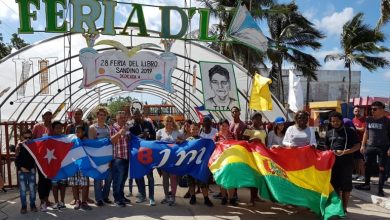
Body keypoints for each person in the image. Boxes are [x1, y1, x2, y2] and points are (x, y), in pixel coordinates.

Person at [325, 111, 360, 214]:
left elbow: (357, 146)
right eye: (333, 121)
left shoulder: (350, 131)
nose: (335, 123)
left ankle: (344, 208)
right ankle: (337, 208)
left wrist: (344, 152)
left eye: (337, 121)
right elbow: (326, 147)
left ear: (341, 121)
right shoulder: (329, 133)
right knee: (334, 186)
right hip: (333, 164)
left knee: (346, 187)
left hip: (347, 164)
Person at [355, 101, 390, 197]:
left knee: (382, 168)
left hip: (383, 147)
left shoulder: (387, 121)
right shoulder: (369, 119)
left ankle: (380, 189)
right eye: (371, 109)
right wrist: (362, 145)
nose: (372, 111)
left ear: (382, 110)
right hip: (370, 146)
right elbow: (366, 133)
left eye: (375, 109)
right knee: (367, 165)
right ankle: (366, 184)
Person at [66, 108, 93, 210]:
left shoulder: (86, 125)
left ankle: (84, 200)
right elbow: (66, 140)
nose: (77, 116)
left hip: (84, 156)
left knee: (85, 179)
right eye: (75, 114)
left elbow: (89, 140)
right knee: (74, 180)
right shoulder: (70, 127)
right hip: (73, 157)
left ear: (82, 115)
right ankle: (76, 199)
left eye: (79, 114)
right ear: (73, 115)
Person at [129, 109, 156, 206]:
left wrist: (148, 135)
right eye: (135, 115)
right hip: (137, 155)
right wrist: (141, 135)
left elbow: (154, 136)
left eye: (138, 115)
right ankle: (142, 195)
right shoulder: (131, 126)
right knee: (139, 176)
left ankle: (151, 197)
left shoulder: (148, 124)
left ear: (141, 115)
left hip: (148, 154)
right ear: (133, 116)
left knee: (150, 177)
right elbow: (131, 139)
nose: (137, 117)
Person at [156, 115, 183, 206]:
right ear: (164, 122)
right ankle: (166, 196)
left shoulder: (177, 132)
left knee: (173, 178)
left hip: (174, 159)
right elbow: (156, 145)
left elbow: (184, 141)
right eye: (167, 121)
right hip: (163, 159)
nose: (169, 122)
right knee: (165, 178)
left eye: (170, 121)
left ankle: (173, 197)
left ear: (173, 122)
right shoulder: (159, 132)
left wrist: (180, 141)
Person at [88, 107, 113, 206]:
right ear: (97, 115)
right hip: (97, 157)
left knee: (109, 178)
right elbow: (91, 144)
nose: (102, 117)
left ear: (106, 116)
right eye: (100, 115)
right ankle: (98, 199)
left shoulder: (108, 128)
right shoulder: (92, 127)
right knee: (98, 178)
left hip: (107, 157)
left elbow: (110, 143)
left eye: (104, 115)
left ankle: (105, 196)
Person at [187, 123, 214, 207]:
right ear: (190, 130)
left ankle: (206, 198)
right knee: (191, 183)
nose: (195, 130)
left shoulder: (203, 140)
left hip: (200, 166)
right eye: (193, 129)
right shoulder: (187, 140)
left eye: (196, 129)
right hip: (190, 165)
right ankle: (193, 197)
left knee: (203, 182)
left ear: (199, 130)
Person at [32, 109, 53, 212]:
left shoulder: (53, 127)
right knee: (41, 179)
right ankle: (42, 201)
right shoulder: (37, 127)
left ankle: (46, 199)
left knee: (48, 178)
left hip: (50, 157)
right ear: (43, 116)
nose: (48, 116)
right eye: (46, 114)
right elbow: (31, 140)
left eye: (50, 114)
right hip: (40, 157)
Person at [110, 111, 131, 207]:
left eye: (124, 118)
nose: (123, 119)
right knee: (117, 180)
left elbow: (130, 140)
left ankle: (121, 196)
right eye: (121, 118)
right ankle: (117, 199)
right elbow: (112, 141)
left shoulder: (126, 128)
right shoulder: (113, 128)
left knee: (123, 179)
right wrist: (119, 133)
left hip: (126, 157)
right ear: (117, 118)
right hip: (118, 158)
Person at [213, 119, 236, 206]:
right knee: (222, 178)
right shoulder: (217, 136)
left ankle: (231, 198)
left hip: (231, 160)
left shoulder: (232, 135)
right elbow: (213, 146)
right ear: (219, 126)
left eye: (226, 125)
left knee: (232, 178)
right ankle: (224, 197)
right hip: (220, 160)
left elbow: (236, 145)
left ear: (228, 126)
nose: (224, 127)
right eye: (222, 125)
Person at [15, 129, 37, 214]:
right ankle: (24, 206)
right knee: (23, 189)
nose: (27, 139)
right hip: (22, 171)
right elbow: (17, 160)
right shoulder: (19, 146)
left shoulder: (33, 145)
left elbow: (35, 158)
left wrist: (33, 167)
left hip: (31, 170)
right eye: (25, 137)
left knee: (32, 189)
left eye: (29, 137)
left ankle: (32, 204)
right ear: (21, 137)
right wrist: (21, 168)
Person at [51, 121, 67, 210]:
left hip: (64, 165)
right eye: (56, 128)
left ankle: (62, 201)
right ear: (53, 129)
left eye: (60, 128)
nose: (59, 129)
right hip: (54, 166)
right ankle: (56, 202)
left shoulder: (66, 138)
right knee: (54, 185)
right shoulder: (50, 139)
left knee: (63, 184)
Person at [352, 106, 366, 182]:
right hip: (355, 142)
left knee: (361, 159)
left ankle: (363, 175)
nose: (357, 112)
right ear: (353, 112)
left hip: (361, 142)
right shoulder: (353, 119)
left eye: (358, 111)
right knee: (356, 159)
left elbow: (363, 129)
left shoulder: (363, 119)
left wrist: (354, 128)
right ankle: (357, 173)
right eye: (355, 111)